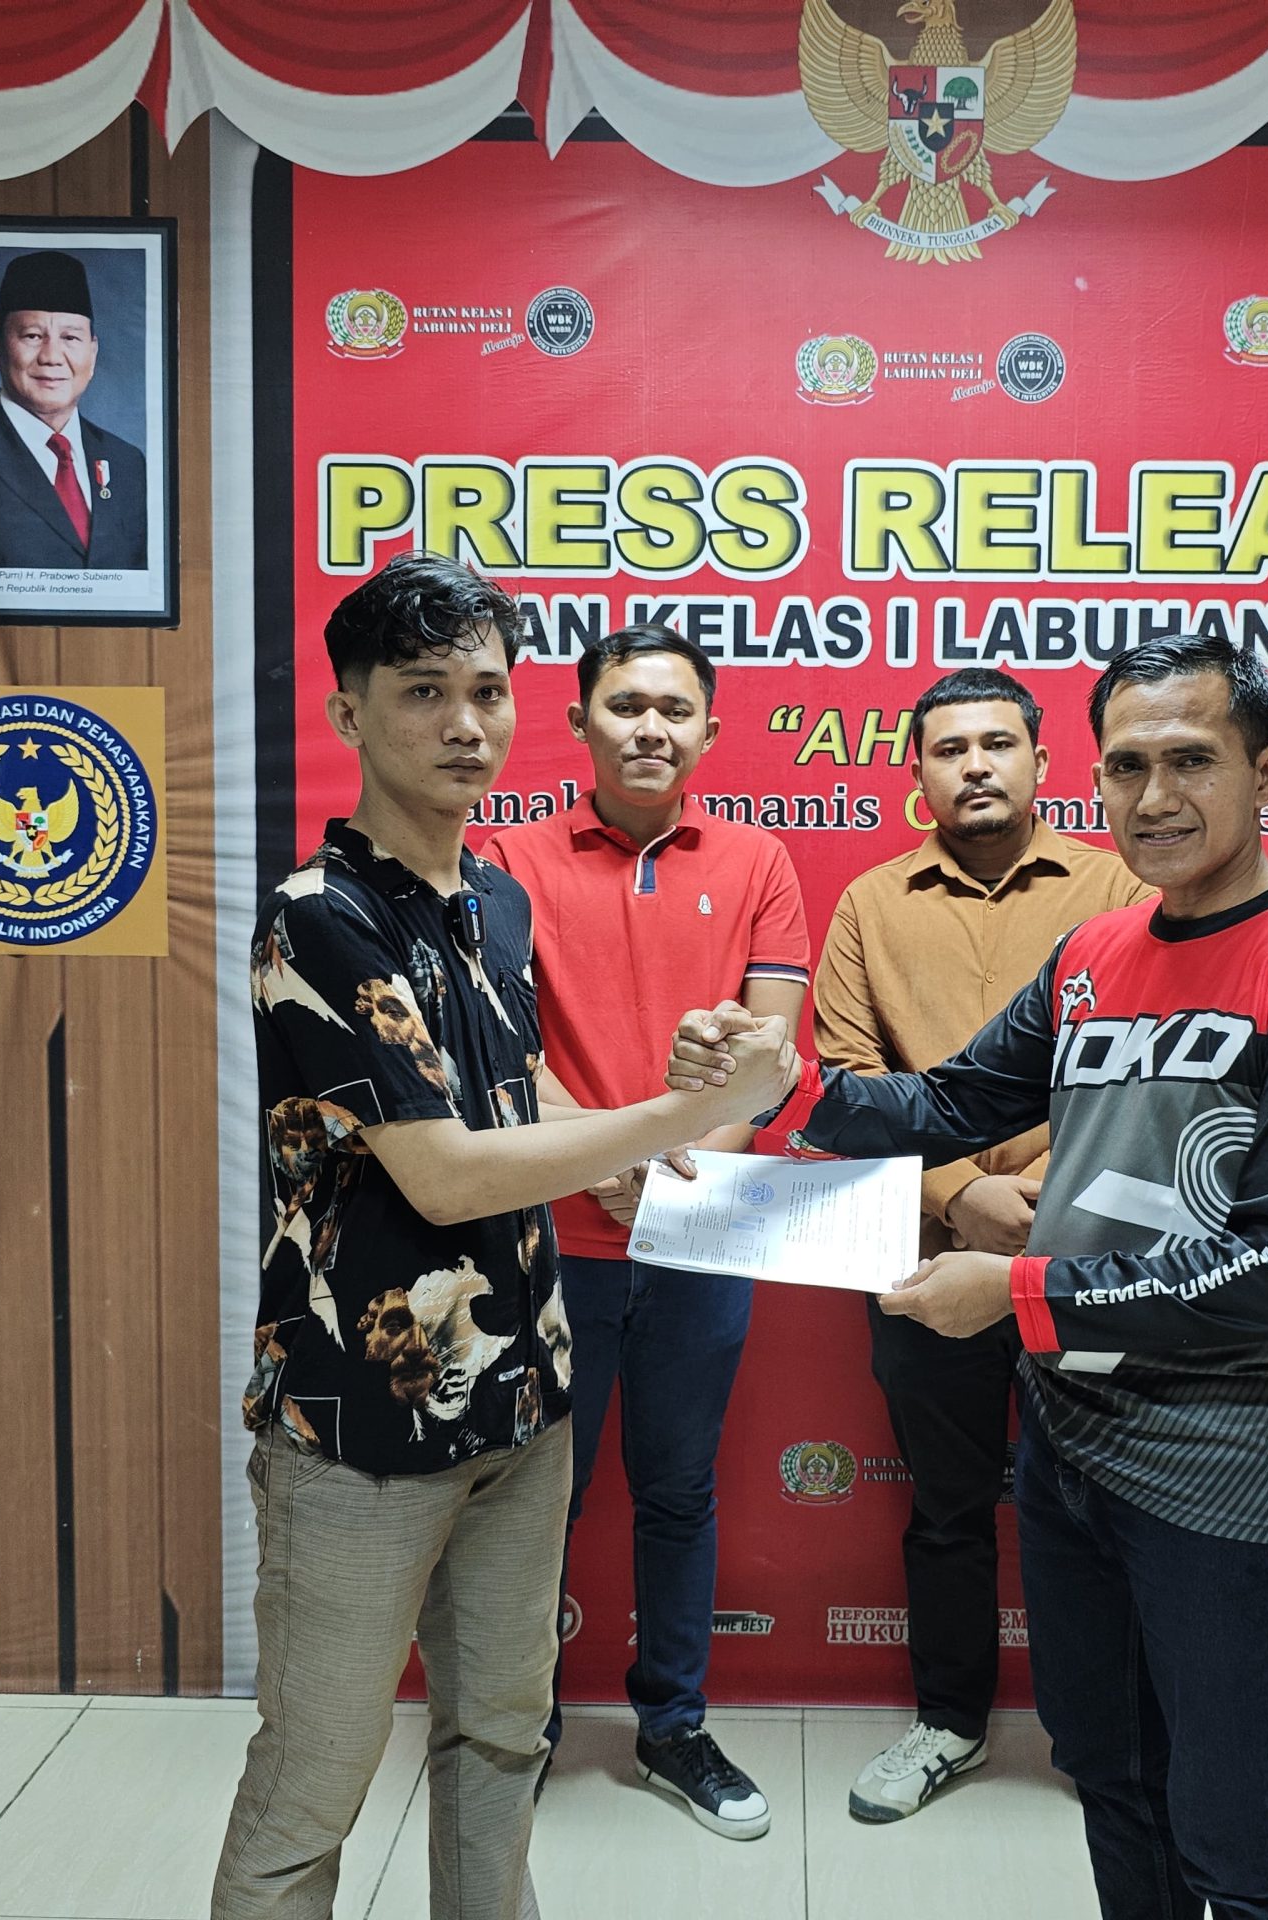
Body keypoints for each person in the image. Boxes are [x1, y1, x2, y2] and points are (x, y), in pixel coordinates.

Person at [673, 635, 1268, 1919]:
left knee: (1252, 1845)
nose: (1155, 797)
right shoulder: (1093, 956)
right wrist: (777, 1080)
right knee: (1114, 1783)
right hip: (1071, 1458)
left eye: (1191, 761)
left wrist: (1009, 1295)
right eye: (1127, 766)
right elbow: (947, 1102)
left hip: (1223, 1475)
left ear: (1267, 771)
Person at [211, 555, 795, 1920]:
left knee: (498, 1748)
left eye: (486, 691)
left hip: (525, 1401)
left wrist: (655, 1143)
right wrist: (688, 1111)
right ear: (350, 713)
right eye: (424, 693)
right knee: (312, 1790)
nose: (465, 725)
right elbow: (447, 1173)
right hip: (361, 1427)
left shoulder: (494, 897)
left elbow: (518, 1092)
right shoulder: (319, 917)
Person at [483, 624, 810, 1841]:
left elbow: (770, 1058)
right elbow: (500, 1050)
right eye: (625, 705)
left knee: (678, 1492)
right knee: (537, 1502)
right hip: (550, 1244)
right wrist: (612, 1165)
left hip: (697, 1238)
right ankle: (515, 1728)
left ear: (709, 732)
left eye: (675, 709)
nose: (650, 728)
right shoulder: (506, 859)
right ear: (579, 723)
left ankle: (673, 1728)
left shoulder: (759, 859)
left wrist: (668, 1181)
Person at [810, 667, 1151, 1823]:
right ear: (916, 772)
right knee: (948, 1507)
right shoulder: (870, 904)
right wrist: (960, 1197)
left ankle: (1108, 1735)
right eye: (948, 748)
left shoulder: (1120, 888)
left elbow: (1154, 1071)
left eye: (996, 743)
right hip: (920, 1257)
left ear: (1044, 764)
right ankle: (949, 1723)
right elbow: (846, 1085)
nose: (974, 765)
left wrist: (1043, 1203)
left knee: (1107, 1504)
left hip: (1089, 1254)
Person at [0, 249, 148, 571]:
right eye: (33, 336)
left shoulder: (128, 463)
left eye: (70, 337)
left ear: (92, 353)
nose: (52, 357)